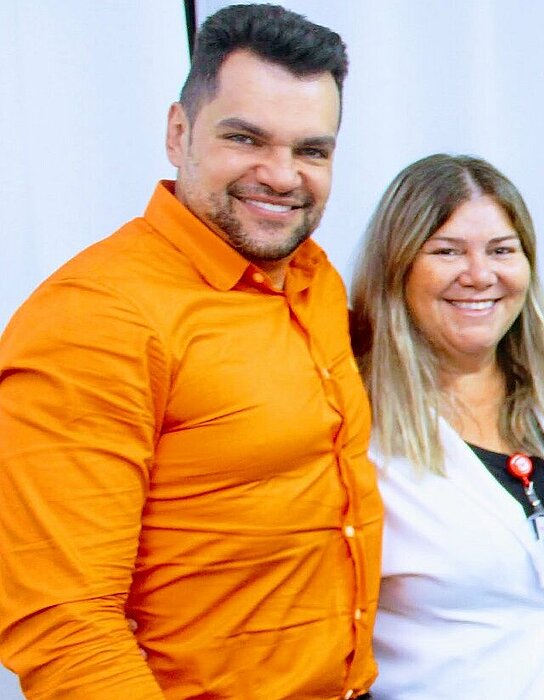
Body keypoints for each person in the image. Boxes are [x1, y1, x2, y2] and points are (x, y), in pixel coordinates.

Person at [0, 7, 378, 698]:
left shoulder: (312, 278)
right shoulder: (95, 318)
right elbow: (65, 626)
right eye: (245, 138)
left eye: (311, 150)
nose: (281, 175)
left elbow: (414, 358)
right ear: (179, 133)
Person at [350, 155, 544, 699]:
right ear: (397, 266)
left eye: (501, 250)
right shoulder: (356, 419)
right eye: (447, 251)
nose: (479, 274)